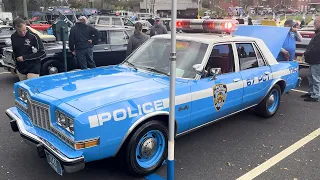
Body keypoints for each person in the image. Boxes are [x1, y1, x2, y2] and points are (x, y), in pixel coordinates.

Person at [301, 16, 320, 102]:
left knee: (315, 78)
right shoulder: (317, 33)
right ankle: (311, 92)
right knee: (311, 77)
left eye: (316, 22)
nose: (314, 24)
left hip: (316, 60)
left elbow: (316, 48)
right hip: (313, 59)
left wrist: (306, 53)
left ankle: (315, 95)